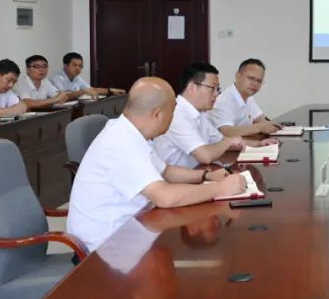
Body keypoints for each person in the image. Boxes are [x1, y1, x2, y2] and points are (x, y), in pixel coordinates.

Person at [67, 77, 247, 253]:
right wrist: (220, 189)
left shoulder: (131, 132)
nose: (173, 117)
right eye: (173, 111)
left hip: (133, 229)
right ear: (158, 114)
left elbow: (166, 171)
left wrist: (206, 176)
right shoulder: (121, 142)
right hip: (105, 249)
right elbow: (164, 196)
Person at [153, 62, 249, 168]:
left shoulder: (200, 113)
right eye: (212, 88)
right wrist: (228, 142)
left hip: (198, 172)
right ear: (192, 88)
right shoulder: (177, 114)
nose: (216, 94)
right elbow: (205, 156)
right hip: (176, 177)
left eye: (217, 89)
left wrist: (258, 146)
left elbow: (220, 141)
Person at [209, 59, 281, 138]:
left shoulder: (248, 97)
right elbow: (227, 131)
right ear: (237, 76)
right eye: (251, 78)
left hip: (245, 142)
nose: (255, 83)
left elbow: (260, 118)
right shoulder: (223, 101)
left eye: (259, 81)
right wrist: (260, 127)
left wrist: (271, 125)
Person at [49, 52, 124, 97]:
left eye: (80, 66)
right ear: (65, 66)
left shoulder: (77, 78)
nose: (78, 68)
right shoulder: (56, 79)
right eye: (74, 65)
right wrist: (82, 91)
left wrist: (110, 90)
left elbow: (91, 90)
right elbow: (63, 97)